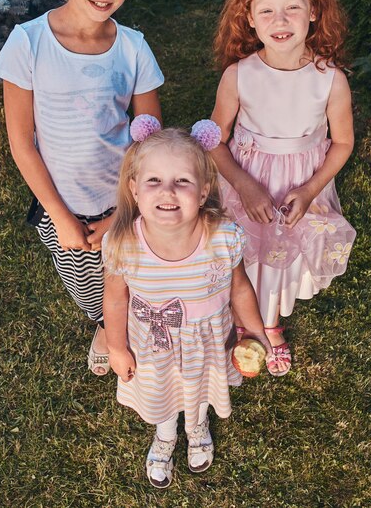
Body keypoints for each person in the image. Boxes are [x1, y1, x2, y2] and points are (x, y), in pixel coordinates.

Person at [0, 0, 163, 376]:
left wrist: (124, 211)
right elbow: (22, 141)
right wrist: (62, 217)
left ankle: (128, 326)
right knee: (87, 286)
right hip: (62, 204)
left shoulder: (133, 48)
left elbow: (149, 144)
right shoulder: (28, 43)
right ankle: (104, 326)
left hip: (127, 200)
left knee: (129, 274)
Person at [102, 115, 271, 488]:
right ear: (134, 189)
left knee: (199, 390)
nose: (168, 191)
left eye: (182, 181)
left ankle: (196, 427)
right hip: (153, 345)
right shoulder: (123, 244)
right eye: (154, 181)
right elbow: (115, 299)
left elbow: (239, 288)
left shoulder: (224, 239)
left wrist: (256, 331)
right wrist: (116, 347)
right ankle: (165, 434)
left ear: (204, 188)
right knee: (162, 393)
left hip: (205, 342)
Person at [210, 0, 356, 377]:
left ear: (313, 12)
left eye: (293, 8)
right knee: (245, 251)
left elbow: (342, 142)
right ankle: (242, 320)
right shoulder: (239, 75)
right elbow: (213, 141)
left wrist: (310, 191)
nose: (280, 20)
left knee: (283, 254)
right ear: (250, 19)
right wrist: (243, 186)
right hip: (249, 179)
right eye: (267, 10)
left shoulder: (331, 79)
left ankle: (269, 323)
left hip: (300, 182)